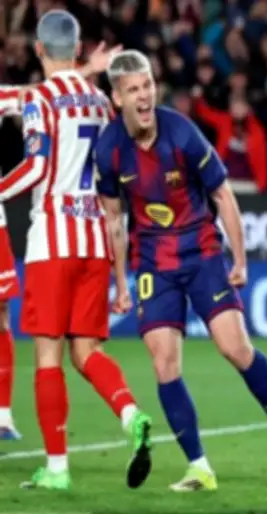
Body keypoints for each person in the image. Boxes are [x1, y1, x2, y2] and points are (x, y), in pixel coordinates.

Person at [95, 50, 267, 492]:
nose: (145, 96)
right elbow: (114, 220)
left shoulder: (181, 132)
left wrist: (240, 259)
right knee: (164, 362)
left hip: (201, 251)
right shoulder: (109, 149)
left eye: (148, 85)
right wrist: (119, 283)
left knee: (235, 349)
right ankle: (199, 467)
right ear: (117, 99)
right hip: (153, 261)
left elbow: (223, 196)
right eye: (134, 89)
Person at [0, 11, 153, 490]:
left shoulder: (40, 99)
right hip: (94, 241)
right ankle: (130, 414)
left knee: (48, 356)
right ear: (79, 47)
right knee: (86, 351)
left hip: (52, 241)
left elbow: (36, 168)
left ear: (38, 50)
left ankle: (57, 468)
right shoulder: (101, 102)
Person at [0, 40, 122, 443]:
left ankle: (2, 415)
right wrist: (85, 70)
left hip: (42, 230)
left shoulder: (13, 98)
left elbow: (38, 95)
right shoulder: (100, 104)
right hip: (85, 233)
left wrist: (80, 70)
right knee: (75, 351)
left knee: (3, 317)